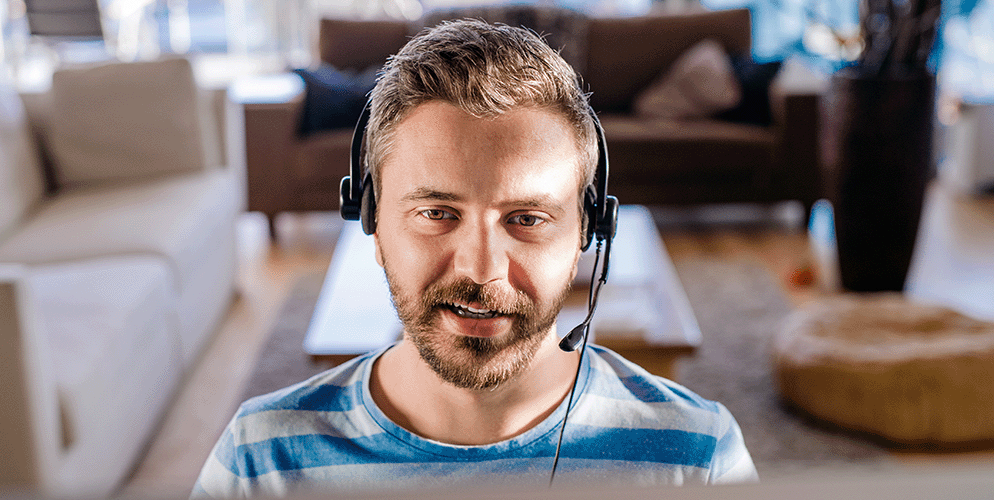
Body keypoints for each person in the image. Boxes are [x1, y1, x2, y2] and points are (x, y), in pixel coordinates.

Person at [192, 19, 757, 498]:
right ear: (371, 218)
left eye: (527, 219)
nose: (481, 270)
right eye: (437, 213)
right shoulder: (260, 461)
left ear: (589, 229)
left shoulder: (697, 456)